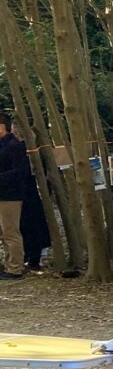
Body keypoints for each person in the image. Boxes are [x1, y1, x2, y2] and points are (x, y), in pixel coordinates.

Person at [9, 121, 51, 272]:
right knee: (25, 225)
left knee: (32, 224)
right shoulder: (17, 148)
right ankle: (30, 256)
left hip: (28, 192)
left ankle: (34, 256)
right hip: (23, 192)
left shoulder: (31, 150)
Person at [0, 113, 28, 280]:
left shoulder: (14, 145)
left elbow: (19, 172)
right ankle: (8, 263)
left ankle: (15, 268)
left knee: (11, 231)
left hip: (10, 195)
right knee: (3, 233)